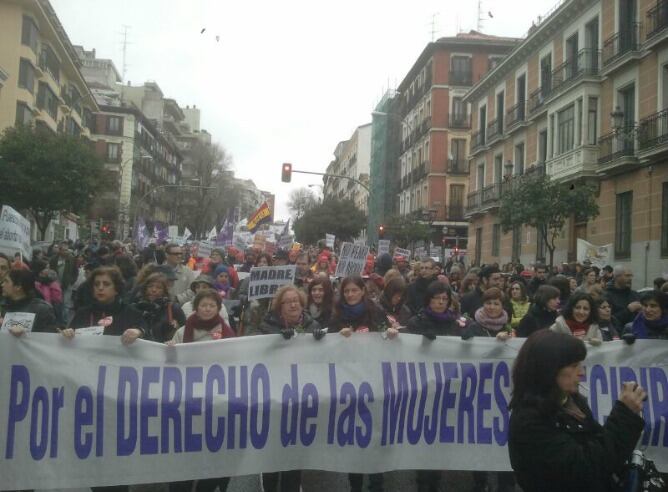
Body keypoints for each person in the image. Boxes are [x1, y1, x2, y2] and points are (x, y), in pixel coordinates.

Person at [508, 330, 646, 492]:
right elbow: (587, 468)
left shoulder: (571, 401)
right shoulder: (530, 421)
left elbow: (600, 447)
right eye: (574, 366)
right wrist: (624, 414)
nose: (581, 372)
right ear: (548, 369)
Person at [257, 285, 325, 492]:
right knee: (273, 444)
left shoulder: (314, 324)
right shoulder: (267, 326)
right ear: (280, 307)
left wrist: (320, 343)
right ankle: (268, 482)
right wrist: (276, 340)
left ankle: (292, 485)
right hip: (275, 396)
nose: (294, 304)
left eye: (296, 300)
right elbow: (256, 352)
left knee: (294, 445)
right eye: (288, 301)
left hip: (301, 397)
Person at [330, 275, 395, 492]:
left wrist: (390, 334)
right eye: (346, 291)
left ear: (362, 291)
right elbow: (327, 345)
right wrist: (337, 337)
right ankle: (355, 485)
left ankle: (377, 483)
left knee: (376, 433)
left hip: (374, 380)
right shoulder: (337, 315)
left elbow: (387, 335)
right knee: (354, 436)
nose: (350, 295)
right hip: (348, 383)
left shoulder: (375, 311)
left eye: (354, 291)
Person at [64, 266, 146, 347]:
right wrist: (67, 334)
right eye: (96, 284)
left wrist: (138, 332)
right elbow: (70, 338)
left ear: (116, 289)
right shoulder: (82, 313)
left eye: (106, 284)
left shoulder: (131, 313)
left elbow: (146, 334)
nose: (100, 288)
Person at [132, 273, 186, 342]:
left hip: (166, 350)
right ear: (145, 288)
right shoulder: (137, 307)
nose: (154, 290)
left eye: (159, 287)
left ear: (164, 291)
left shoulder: (173, 308)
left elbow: (186, 332)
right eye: (150, 286)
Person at [0, 269, 57, 333]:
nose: (2, 285)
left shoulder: (42, 309)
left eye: (6, 281)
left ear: (18, 286)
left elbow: (47, 337)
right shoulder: (3, 306)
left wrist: (24, 334)